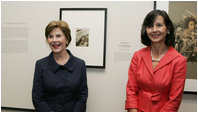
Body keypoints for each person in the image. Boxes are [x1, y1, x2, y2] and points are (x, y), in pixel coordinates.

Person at [125, 10, 187, 112]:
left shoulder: (179, 61)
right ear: (146, 30)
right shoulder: (138, 56)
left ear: (167, 29)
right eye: (150, 26)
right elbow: (131, 89)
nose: (154, 30)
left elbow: (174, 100)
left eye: (159, 25)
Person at [32, 20, 88, 112]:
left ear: (66, 39)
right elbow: (37, 98)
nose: (54, 40)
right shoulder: (40, 65)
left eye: (58, 36)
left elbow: (82, 97)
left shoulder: (80, 64)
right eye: (50, 36)